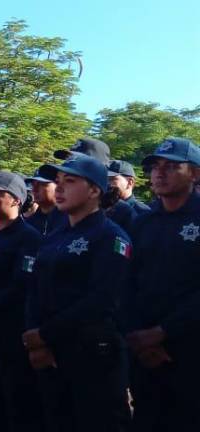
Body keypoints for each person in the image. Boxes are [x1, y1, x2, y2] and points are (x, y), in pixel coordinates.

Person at [24, 154, 131, 432]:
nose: (59, 188)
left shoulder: (111, 236)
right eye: (57, 181)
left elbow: (102, 300)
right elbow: (35, 287)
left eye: (69, 181)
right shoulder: (55, 236)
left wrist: (44, 335)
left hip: (92, 356)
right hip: (49, 354)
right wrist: (35, 337)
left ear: (95, 190)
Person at [124, 138, 200, 431]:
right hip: (144, 352)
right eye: (155, 167)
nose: (160, 173)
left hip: (190, 350)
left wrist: (163, 333)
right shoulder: (142, 222)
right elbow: (126, 283)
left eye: (172, 166)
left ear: (194, 173)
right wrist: (138, 335)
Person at [0, 171, 44, 432]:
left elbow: (20, 286)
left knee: (15, 404)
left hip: (9, 334)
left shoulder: (29, 237)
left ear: (16, 199)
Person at [54, 138, 136, 233]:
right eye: (68, 160)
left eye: (79, 161)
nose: (70, 165)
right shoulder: (60, 207)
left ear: (100, 167)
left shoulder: (123, 213)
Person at [26, 169, 66, 236]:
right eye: (33, 185)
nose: (34, 189)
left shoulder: (69, 220)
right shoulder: (29, 223)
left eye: (42, 184)